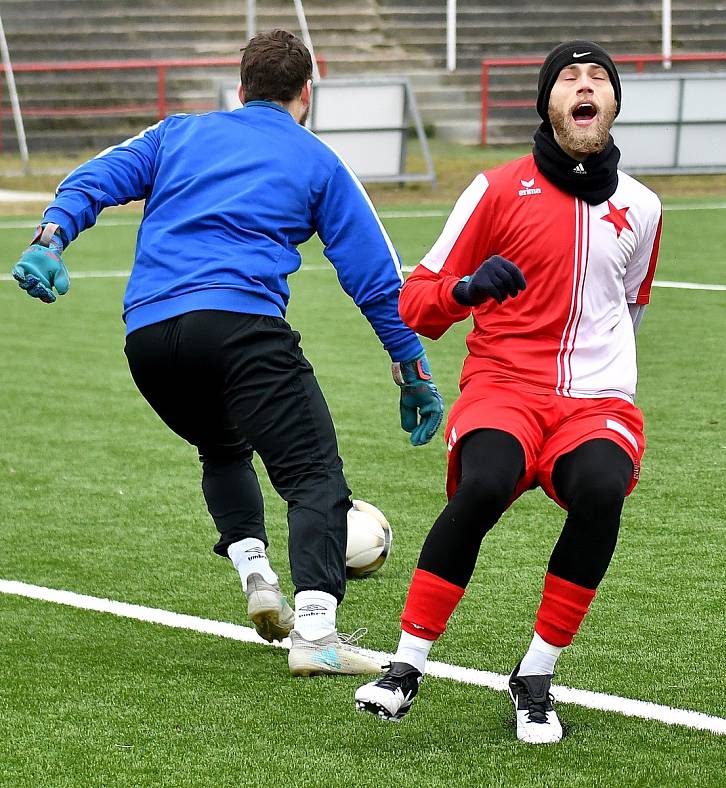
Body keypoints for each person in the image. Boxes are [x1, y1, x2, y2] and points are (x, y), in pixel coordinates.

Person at [11, 29, 444, 677]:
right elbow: (376, 275)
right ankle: (318, 636)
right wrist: (411, 370)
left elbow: (94, 177)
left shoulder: (176, 132)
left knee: (221, 446)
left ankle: (257, 578)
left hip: (151, 340)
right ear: (307, 94)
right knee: (313, 475)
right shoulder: (316, 157)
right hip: (241, 329)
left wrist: (50, 239)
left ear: (239, 90)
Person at [355, 40, 662, 741]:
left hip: (596, 402)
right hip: (504, 387)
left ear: (613, 103)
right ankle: (404, 668)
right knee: (485, 482)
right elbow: (416, 302)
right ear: (548, 103)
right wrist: (468, 288)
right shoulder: (495, 189)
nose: (585, 87)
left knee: (601, 490)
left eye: (598, 79)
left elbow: (631, 307)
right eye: (569, 78)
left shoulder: (643, 207)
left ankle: (536, 675)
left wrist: (604, 384)